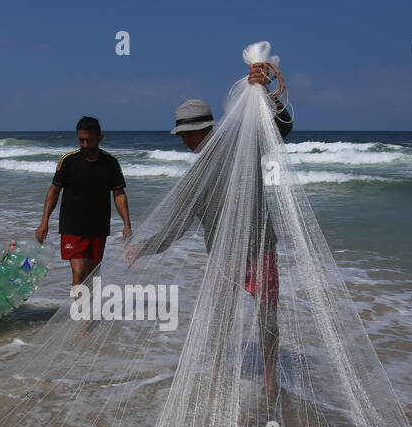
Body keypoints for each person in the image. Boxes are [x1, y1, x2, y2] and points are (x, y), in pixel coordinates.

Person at [125, 63, 292, 396]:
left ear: (206, 129)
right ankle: (217, 377)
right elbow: (178, 222)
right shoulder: (196, 174)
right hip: (223, 258)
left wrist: (269, 94)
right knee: (219, 323)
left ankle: (270, 377)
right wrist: (146, 246)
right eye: (182, 135)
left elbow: (283, 128)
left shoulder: (242, 145)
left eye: (188, 134)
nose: (184, 141)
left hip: (260, 249)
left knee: (268, 320)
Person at [35, 116, 131, 287]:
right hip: (72, 226)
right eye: (81, 140)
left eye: (89, 140)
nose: (85, 144)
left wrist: (126, 224)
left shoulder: (110, 163)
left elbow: (119, 194)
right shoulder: (68, 161)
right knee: (79, 273)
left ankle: (89, 313)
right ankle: (82, 313)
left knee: (93, 277)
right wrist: (44, 222)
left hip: (98, 227)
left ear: (100, 138)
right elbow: (54, 190)